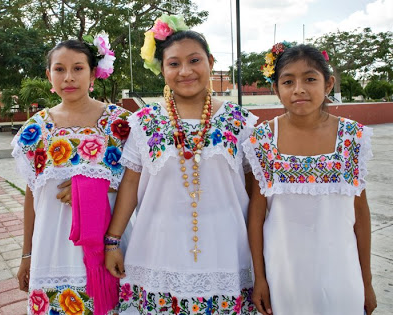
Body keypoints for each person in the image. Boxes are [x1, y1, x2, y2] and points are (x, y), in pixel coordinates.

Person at [104, 14, 258, 314]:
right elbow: (131, 184)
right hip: (158, 251)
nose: (185, 71)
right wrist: (113, 241)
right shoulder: (143, 122)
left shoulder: (242, 122)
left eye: (194, 60)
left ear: (210, 62)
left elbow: (255, 193)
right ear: (162, 70)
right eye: (174, 63)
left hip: (228, 253)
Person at [243, 43, 377, 315]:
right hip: (285, 276)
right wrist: (259, 278)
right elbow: (256, 215)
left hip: (342, 274)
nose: (299, 89)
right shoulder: (262, 140)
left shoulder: (352, 137)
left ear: (328, 84)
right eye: (288, 81)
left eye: (310, 79)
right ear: (276, 89)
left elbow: (360, 214)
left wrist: (367, 281)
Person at [13, 34, 133, 315]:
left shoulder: (120, 124)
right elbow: (33, 197)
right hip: (52, 248)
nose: (68, 77)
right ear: (48, 74)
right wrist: (27, 254)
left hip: (109, 245)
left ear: (93, 73)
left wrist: (91, 187)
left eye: (78, 68)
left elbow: (136, 183)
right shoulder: (35, 130)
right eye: (59, 69)